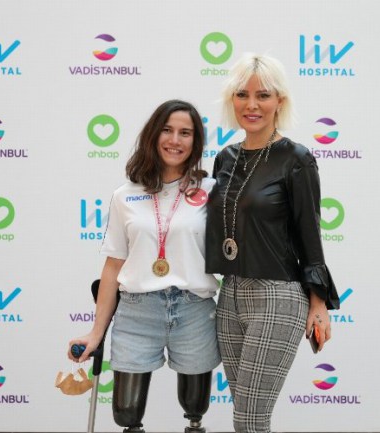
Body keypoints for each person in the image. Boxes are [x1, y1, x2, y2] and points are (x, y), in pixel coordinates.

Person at [205, 53, 340, 433]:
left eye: (263, 95)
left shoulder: (296, 159)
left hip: (277, 295)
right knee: (245, 415)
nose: (252, 105)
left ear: (279, 101)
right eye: (242, 95)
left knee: (250, 419)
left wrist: (318, 303)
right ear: (232, 100)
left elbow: (310, 233)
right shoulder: (225, 158)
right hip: (230, 295)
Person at [69, 99, 220, 433]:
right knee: (126, 412)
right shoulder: (125, 195)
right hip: (137, 311)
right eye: (167, 130)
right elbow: (113, 266)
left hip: (194, 310)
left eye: (185, 133)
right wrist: (96, 333)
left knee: (195, 406)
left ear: (195, 142)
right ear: (153, 135)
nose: (175, 140)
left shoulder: (211, 191)